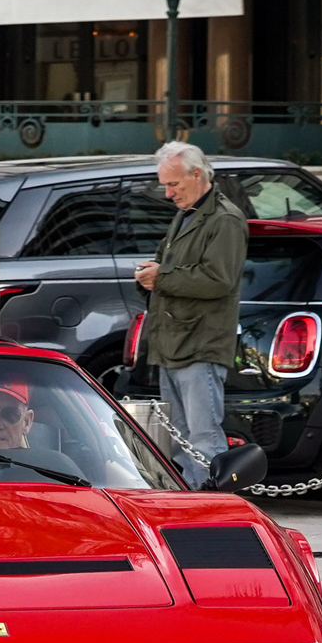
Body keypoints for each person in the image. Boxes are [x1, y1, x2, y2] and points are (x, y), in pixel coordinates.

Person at [132, 140, 245, 487]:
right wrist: (153, 275)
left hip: (200, 345)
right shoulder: (186, 215)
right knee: (182, 439)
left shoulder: (225, 219)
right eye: (165, 185)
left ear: (197, 175)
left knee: (204, 437)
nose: (168, 194)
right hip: (174, 345)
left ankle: (213, 507)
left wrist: (161, 277)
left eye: (174, 185)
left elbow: (218, 280)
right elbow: (177, 270)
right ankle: (195, 500)